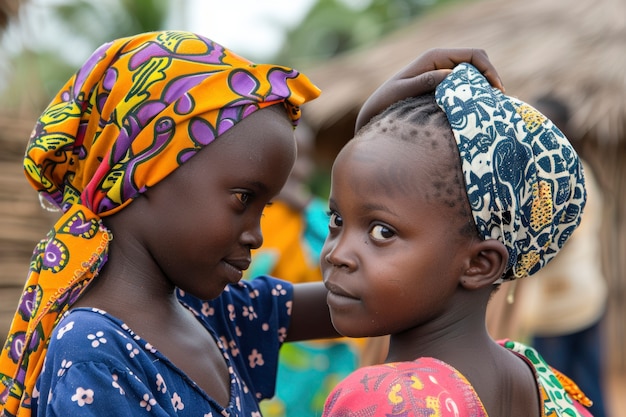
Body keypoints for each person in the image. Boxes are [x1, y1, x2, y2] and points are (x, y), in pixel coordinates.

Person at [0, 30, 503, 416]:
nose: (257, 234)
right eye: (244, 199)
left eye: (264, 208)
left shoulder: (209, 314)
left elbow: (382, 288)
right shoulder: (94, 355)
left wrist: (373, 130)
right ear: (144, 175)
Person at [320, 63, 594, 416]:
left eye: (382, 232)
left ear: (479, 265)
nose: (337, 254)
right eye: (337, 220)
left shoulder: (387, 399)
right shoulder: (545, 385)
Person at [244, 124, 360, 417]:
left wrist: (306, 207)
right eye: (289, 159)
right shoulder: (253, 219)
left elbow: (346, 251)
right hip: (272, 354)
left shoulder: (321, 214)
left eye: (304, 158)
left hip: (325, 356)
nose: (298, 170)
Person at [522, 95, 608, 417]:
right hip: (584, 296)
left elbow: (558, 243)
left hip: (559, 307)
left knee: (557, 393)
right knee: (588, 386)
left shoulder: (554, 179)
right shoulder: (579, 170)